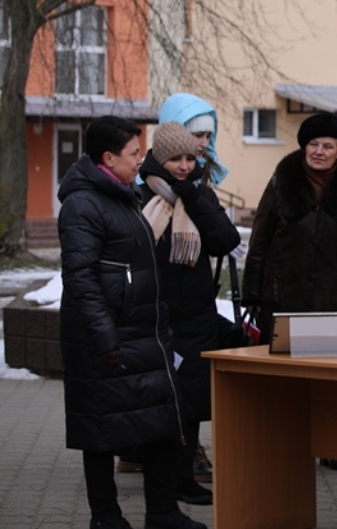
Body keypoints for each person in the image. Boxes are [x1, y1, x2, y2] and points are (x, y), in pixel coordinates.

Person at [57, 116, 205, 529]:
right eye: (135, 153)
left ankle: (163, 513)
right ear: (108, 157)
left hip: (143, 332)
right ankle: (106, 517)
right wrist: (105, 337)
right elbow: (81, 277)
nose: (142, 160)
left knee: (160, 423)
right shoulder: (83, 203)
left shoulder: (123, 194)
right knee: (101, 430)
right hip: (105, 337)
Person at [242, 112, 337, 472]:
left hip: (330, 298)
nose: (319, 151)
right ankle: (282, 442)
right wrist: (254, 292)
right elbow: (261, 238)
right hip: (283, 296)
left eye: (328, 145)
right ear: (304, 146)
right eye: (314, 144)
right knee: (284, 378)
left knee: (326, 377)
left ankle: (329, 444)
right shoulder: (283, 179)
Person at [138, 122, 241, 506]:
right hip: (154, 313)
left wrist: (193, 199)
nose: (183, 166)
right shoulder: (139, 195)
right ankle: (159, 479)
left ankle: (183, 477)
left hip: (196, 314)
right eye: (175, 159)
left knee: (192, 401)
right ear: (158, 160)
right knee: (159, 401)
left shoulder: (200, 195)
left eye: (189, 158)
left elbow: (226, 241)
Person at [157, 93, 228, 187]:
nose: (205, 144)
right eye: (198, 135)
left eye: (208, 136)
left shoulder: (201, 170)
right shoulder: (142, 178)